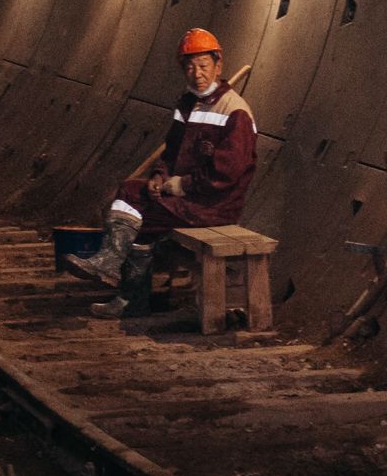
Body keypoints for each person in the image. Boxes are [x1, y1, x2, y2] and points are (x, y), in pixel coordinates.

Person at [70, 28, 256, 317]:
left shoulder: (235, 112)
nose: (197, 74)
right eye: (190, 67)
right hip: (183, 198)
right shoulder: (187, 103)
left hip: (212, 205)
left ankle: (120, 281)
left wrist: (179, 185)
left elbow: (226, 175)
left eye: (204, 66)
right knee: (130, 190)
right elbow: (171, 151)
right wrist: (160, 175)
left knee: (139, 219)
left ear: (219, 66)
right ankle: (122, 284)